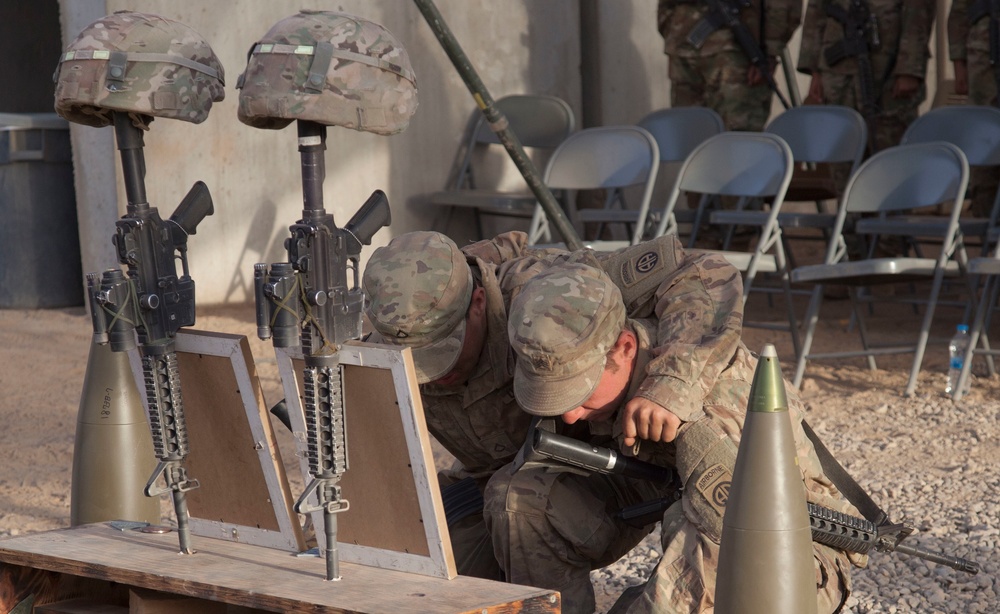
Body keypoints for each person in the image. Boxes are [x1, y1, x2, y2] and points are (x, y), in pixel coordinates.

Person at [362, 230, 745, 591]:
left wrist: (670, 383)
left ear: (477, 302)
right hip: (516, 480)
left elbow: (703, 272)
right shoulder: (390, 328)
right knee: (417, 577)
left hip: (627, 459)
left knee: (518, 504)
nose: (435, 374)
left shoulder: (549, 295)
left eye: (443, 350)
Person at [486, 262, 864, 613]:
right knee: (520, 498)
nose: (568, 414)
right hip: (666, 490)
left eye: (579, 391)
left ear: (625, 348)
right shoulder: (579, 344)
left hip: (783, 560)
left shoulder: (718, 402)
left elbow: (728, 544)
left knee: (693, 530)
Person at [798, 0, 936, 153]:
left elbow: (919, 13)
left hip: (886, 72)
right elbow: (816, 11)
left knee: (890, 156)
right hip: (838, 75)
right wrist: (815, 70)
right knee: (842, 156)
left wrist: (910, 69)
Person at [656, 0, 803, 131]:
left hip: (738, 53)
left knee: (738, 139)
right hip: (684, 50)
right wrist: (672, 27)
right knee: (688, 136)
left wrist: (768, 52)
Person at [949, 0, 1000, 217]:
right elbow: (959, 14)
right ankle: (988, 234)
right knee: (983, 148)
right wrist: (959, 66)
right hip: (982, 67)